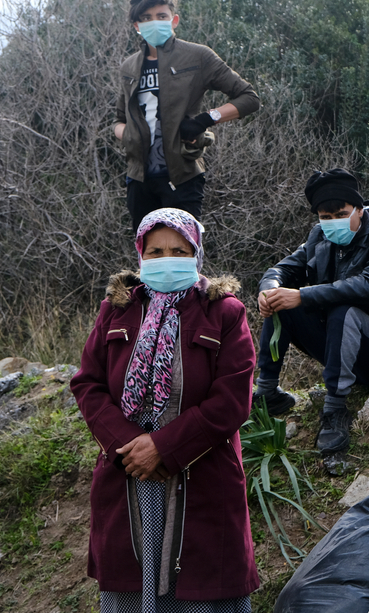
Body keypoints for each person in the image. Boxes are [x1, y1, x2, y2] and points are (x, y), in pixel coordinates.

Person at [71, 208, 259, 611]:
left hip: (199, 470)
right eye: (155, 252)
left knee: (199, 583)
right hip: (129, 470)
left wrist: (164, 447)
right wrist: (129, 445)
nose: (166, 259)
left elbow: (231, 400)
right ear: (140, 255)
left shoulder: (224, 312)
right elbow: (88, 383)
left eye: (178, 251)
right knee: (130, 582)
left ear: (196, 254)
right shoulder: (116, 310)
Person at [255, 168, 369, 455]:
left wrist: (303, 295)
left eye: (341, 214)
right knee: (281, 300)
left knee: (341, 307)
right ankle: (267, 392)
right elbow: (281, 269)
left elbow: (367, 285)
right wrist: (269, 290)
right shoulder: (319, 238)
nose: (333, 222)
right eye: (325, 217)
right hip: (338, 345)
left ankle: (335, 408)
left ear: (360, 210)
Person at [114, 0, 260, 232]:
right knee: (147, 252)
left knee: (185, 249)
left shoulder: (197, 56)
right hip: (138, 180)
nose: (154, 22)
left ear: (174, 20)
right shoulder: (129, 67)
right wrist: (128, 134)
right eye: (146, 18)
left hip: (182, 176)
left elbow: (249, 98)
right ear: (137, 25)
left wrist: (205, 120)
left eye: (161, 16)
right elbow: (118, 119)